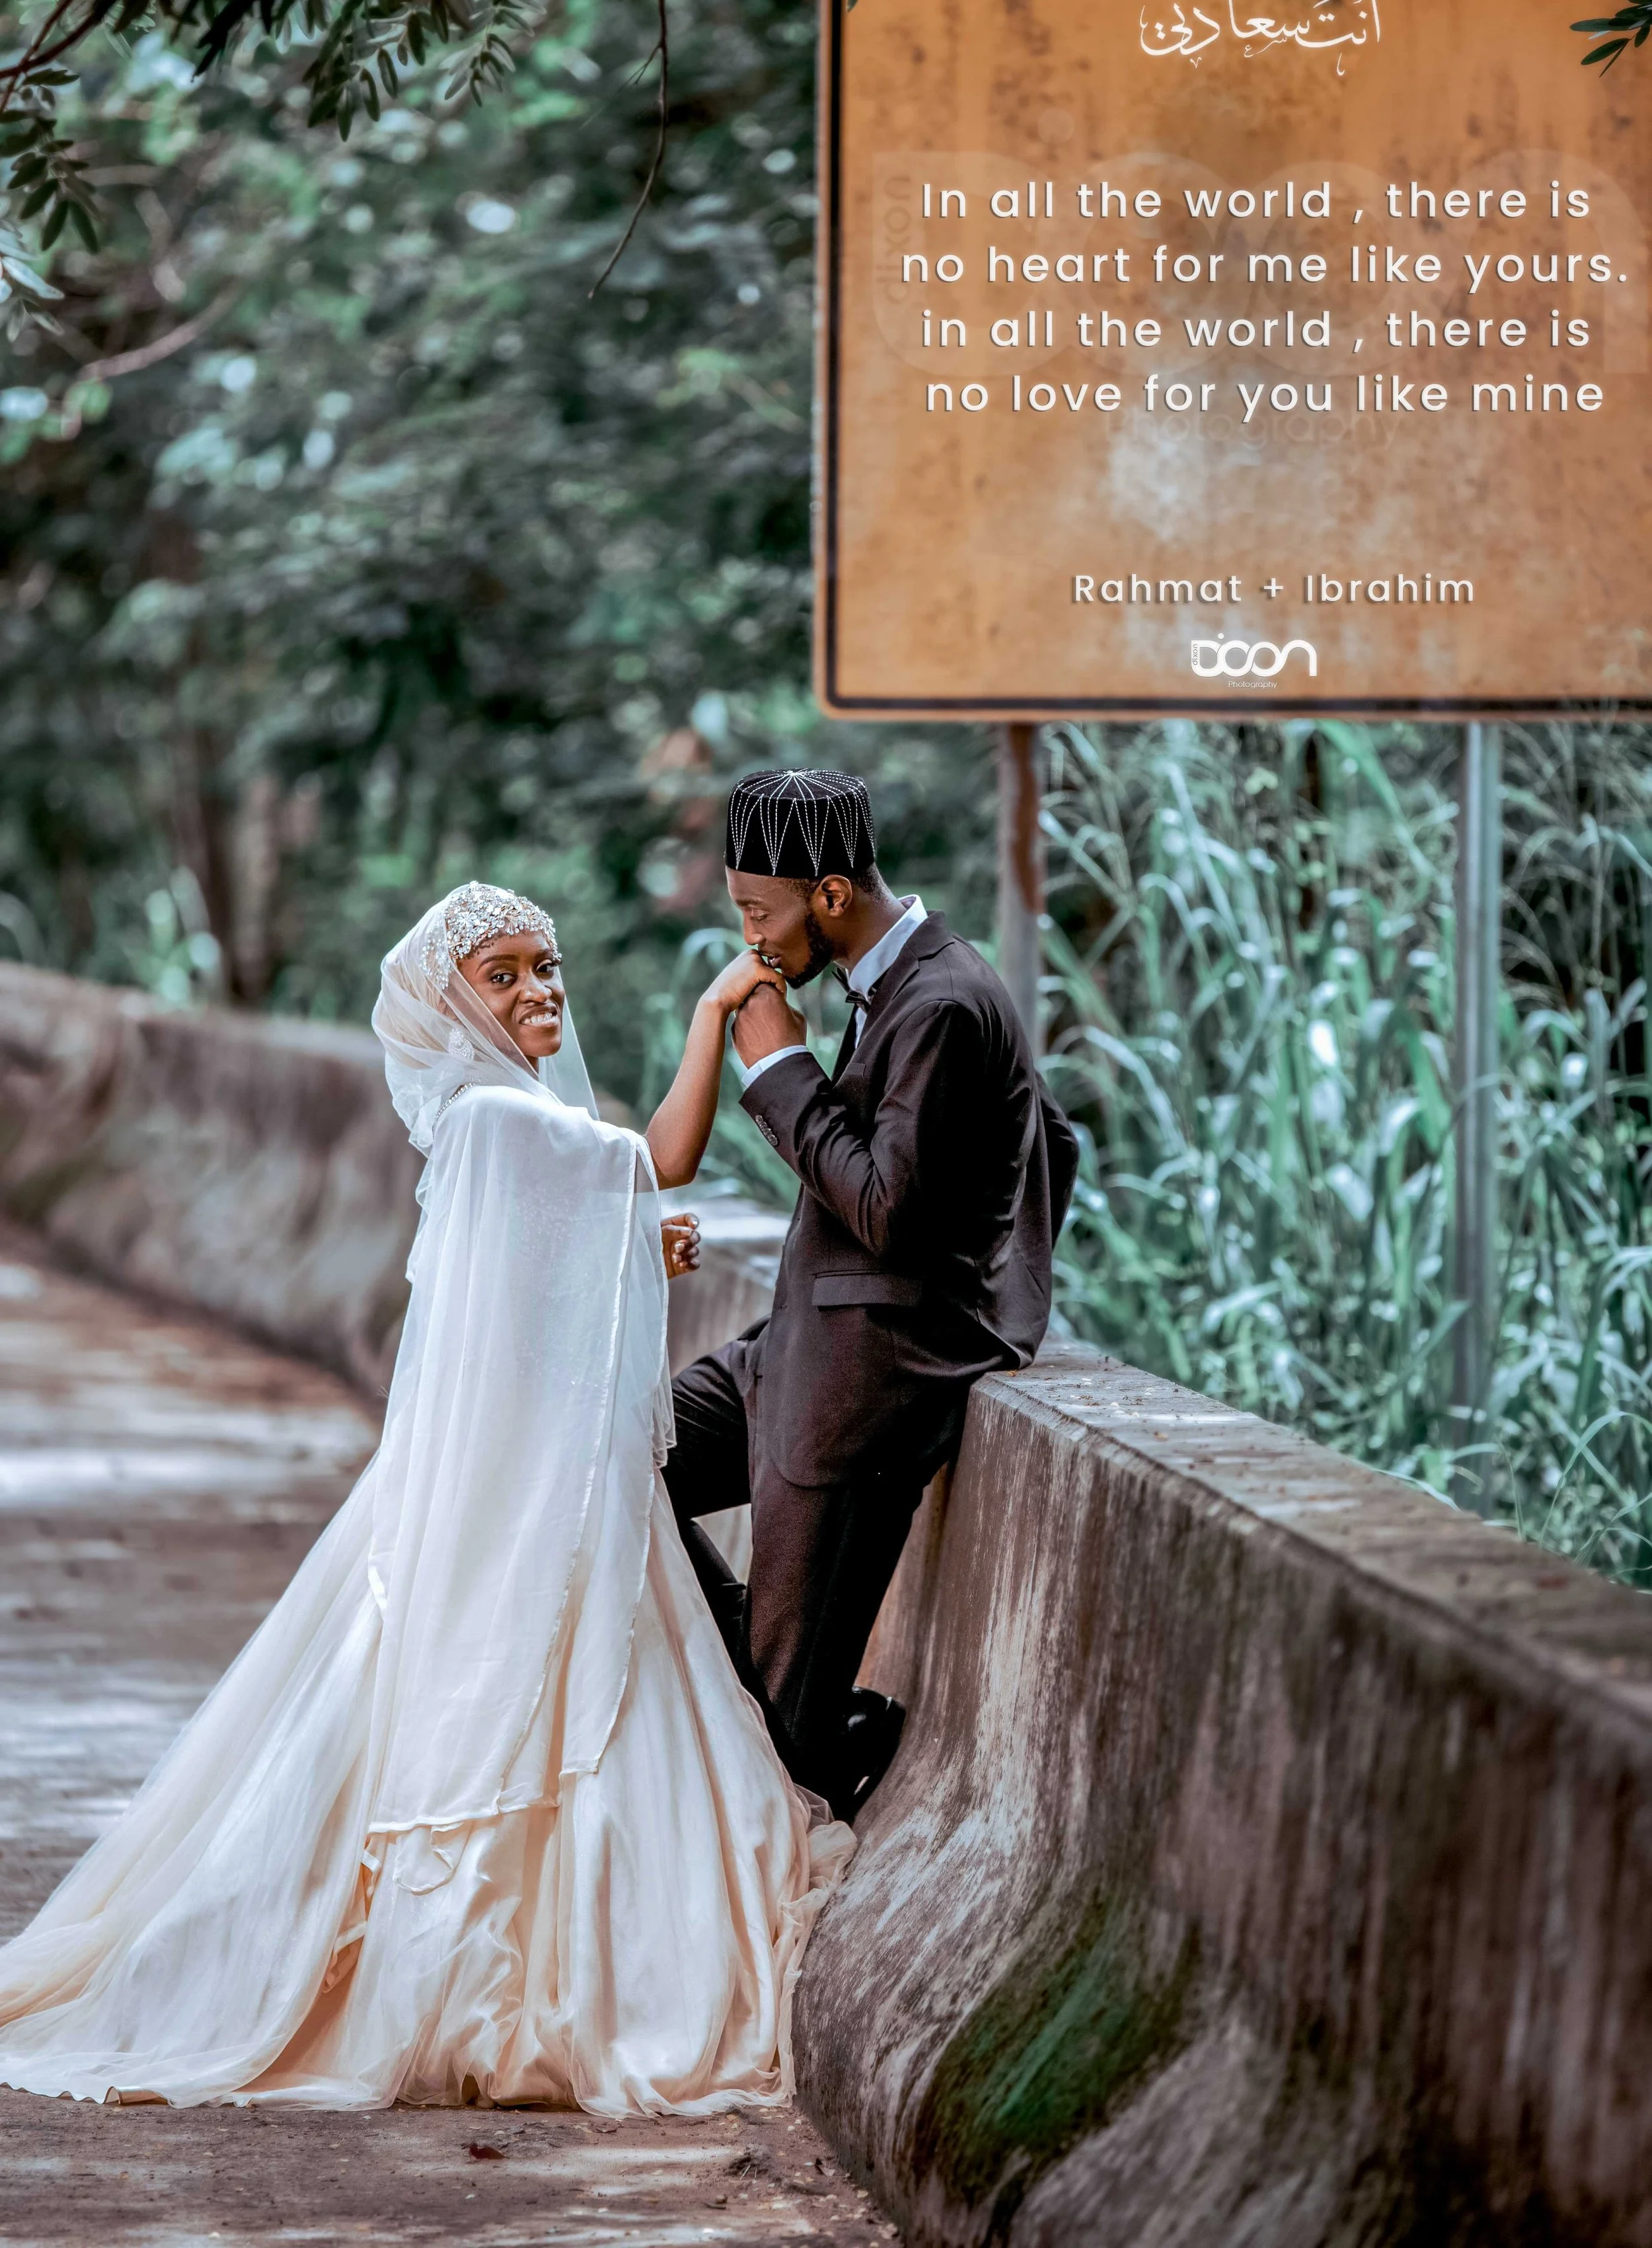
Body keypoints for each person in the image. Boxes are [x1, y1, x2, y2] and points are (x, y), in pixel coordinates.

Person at [0, 881, 851, 2112]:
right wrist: (719, 1009)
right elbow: (664, 1158)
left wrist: (628, 1242)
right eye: (500, 975)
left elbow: (529, 1285)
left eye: (543, 964)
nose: (538, 989)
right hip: (538, 1492)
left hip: (516, 1475)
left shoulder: (484, 1120)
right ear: (451, 1008)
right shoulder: (506, 1121)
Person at [664, 769, 1080, 1820]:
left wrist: (777, 1072)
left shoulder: (943, 998)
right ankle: (773, 1701)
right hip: (790, 1347)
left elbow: (891, 1209)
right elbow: (1049, 1140)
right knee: (608, 1455)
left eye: (761, 911)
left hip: (863, 1389)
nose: (751, 938)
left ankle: (833, 1729)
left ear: (834, 895)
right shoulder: (892, 979)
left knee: (783, 1727)